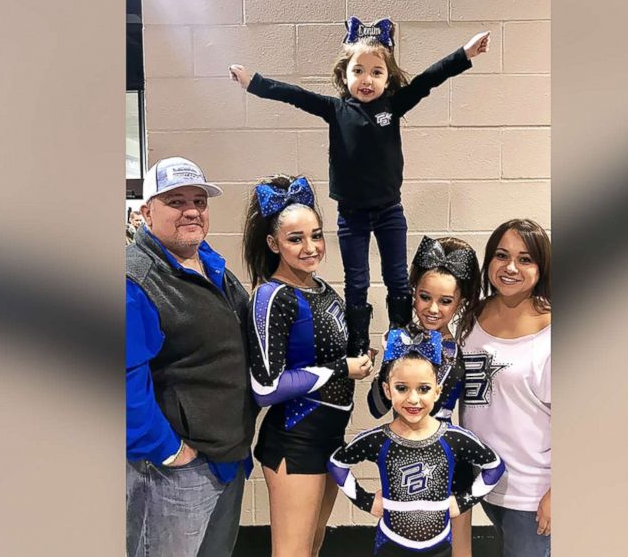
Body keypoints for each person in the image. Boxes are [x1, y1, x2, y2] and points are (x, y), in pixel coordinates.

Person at [229, 17, 492, 358]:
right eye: (359, 71)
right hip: (350, 214)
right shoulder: (335, 109)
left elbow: (429, 79)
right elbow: (293, 95)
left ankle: (400, 334)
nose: (367, 79)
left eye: (376, 72)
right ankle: (356, 342)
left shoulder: (393, 106)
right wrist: (254, 83)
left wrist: (465, 54)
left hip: (388, 211)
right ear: (345, 74)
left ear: (388, 77)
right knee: (357, 281)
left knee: (397, 277)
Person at [125, 157, 255, 557]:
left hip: (225, 457)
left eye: (199, 200)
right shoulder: (135, 279)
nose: (192, 211)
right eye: (176, 201)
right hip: (175, 470)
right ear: (145, 211)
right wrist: (167, 450)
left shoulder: (208, 262)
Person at [242, 174, 374, 557]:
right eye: (295, 239)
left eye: (316, 235)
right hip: (294, 440)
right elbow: (265, 388)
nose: (310, 247)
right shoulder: (273, 297)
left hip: (329, 436)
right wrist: (340, 369)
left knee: (313, 546)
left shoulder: (319, 288)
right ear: (273, 243)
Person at [328, 329, 505, 557]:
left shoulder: (453, 438)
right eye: (402, 388)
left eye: (423, 389)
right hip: (390, 545)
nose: (413, 399)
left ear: (437, 392)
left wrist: (463, 501)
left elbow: (495, 466)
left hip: (439, 545)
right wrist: (365, 501)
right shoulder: (378, 439)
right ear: (388, 390)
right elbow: (336, 463)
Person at [365, 236, 481, 556]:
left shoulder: (465, 348)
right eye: (424, 297)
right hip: (403, 458)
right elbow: (375, 408)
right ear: (413, 293)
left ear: (460, 303)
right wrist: (389, 360)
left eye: (445, 301)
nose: (432, 308)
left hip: (451, 459)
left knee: (458, 547)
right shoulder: (400, 341)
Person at [459, 219, 552, 557]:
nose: (511, 267)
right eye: (501, 255)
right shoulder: (473, 316)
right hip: (483, 483)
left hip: (532, 493)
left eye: (525, 259)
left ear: (541, 267)